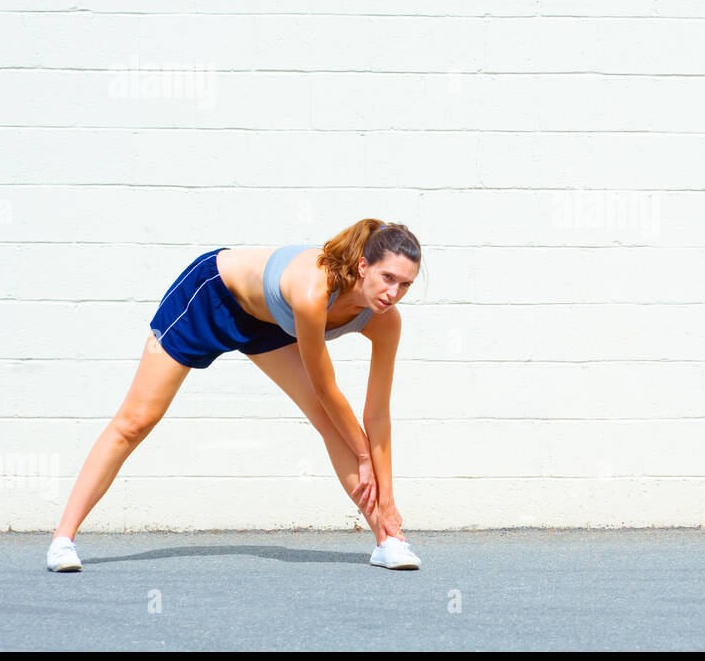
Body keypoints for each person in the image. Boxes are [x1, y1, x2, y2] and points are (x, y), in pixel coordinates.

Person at [46, 219, 423, 572]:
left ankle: (388, 539)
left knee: (332, 425)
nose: (394, 293)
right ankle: (63, 540)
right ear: (362, 266)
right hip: (210, 296)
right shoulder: (313, 292)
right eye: (387, 277)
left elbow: (377, 417)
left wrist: (387, 497)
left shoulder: (386, 321)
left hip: (267, 322)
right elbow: (326, 388)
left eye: (405, 284)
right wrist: (361, 452)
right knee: (136, 422)